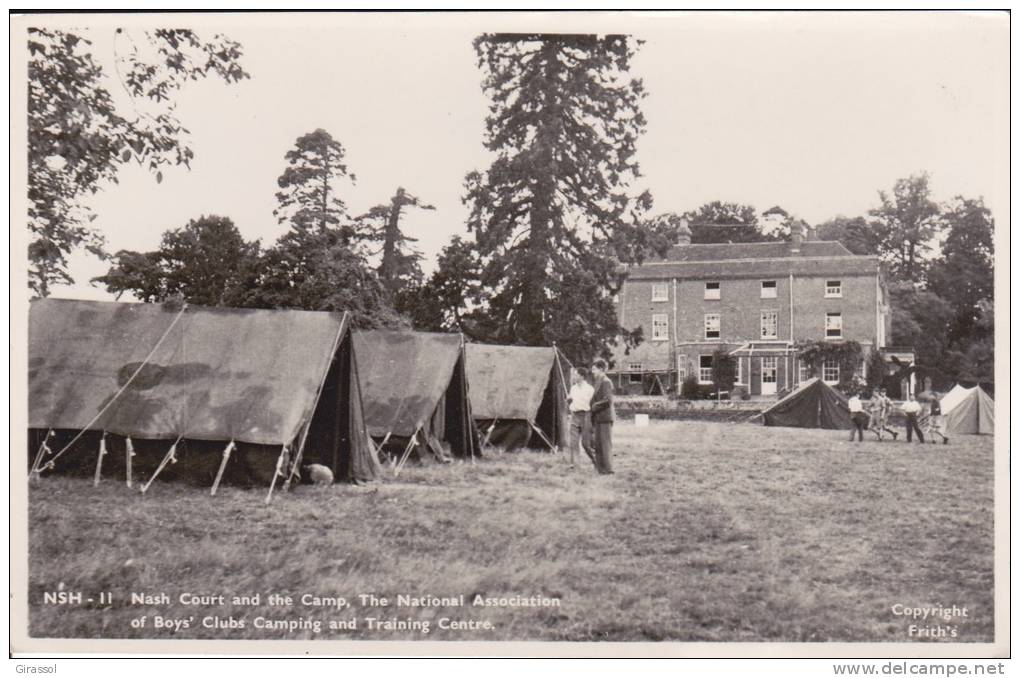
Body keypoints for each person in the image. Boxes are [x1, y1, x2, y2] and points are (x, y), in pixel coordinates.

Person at [589, 359, 615, 475]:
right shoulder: (598, 382)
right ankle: (601, 470)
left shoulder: (606, 382)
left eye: (594, 369)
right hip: (598, 417)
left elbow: (608, 400)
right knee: (598, 444)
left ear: (600, 369)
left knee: (605, 444)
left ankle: (608, 469)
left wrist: (594, 406)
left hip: (604, 417)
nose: (592, 372)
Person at [567, 367, 596, 468]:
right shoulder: (573, 388)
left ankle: (596, 461)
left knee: (586, 443)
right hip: (574, 415)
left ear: (582, 376)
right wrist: (569, 400)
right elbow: (571, 399)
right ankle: (574, 464)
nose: (574, 377)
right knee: (573, 441)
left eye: (576, 375)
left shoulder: (590, 389)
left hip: (585, 416)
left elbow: (592, 404)